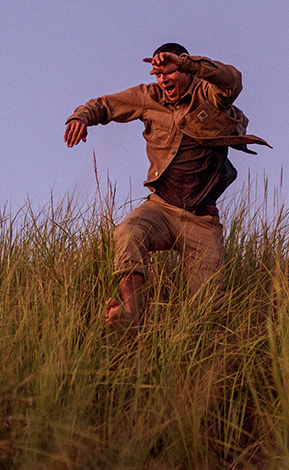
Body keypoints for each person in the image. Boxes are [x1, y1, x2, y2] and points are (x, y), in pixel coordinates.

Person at [64, 43, 269, 332]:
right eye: (158, 74)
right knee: (129, 231)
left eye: (169, 71)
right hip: (161, 207)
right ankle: (130, 314)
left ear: (183, 69)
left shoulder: (208, 93)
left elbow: (233, 81)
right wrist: (80, 117)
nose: (163, 80)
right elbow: (105, 104)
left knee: (210, 309)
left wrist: (187, 64)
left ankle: (210, 359)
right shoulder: (149, 97)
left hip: (201, 220)